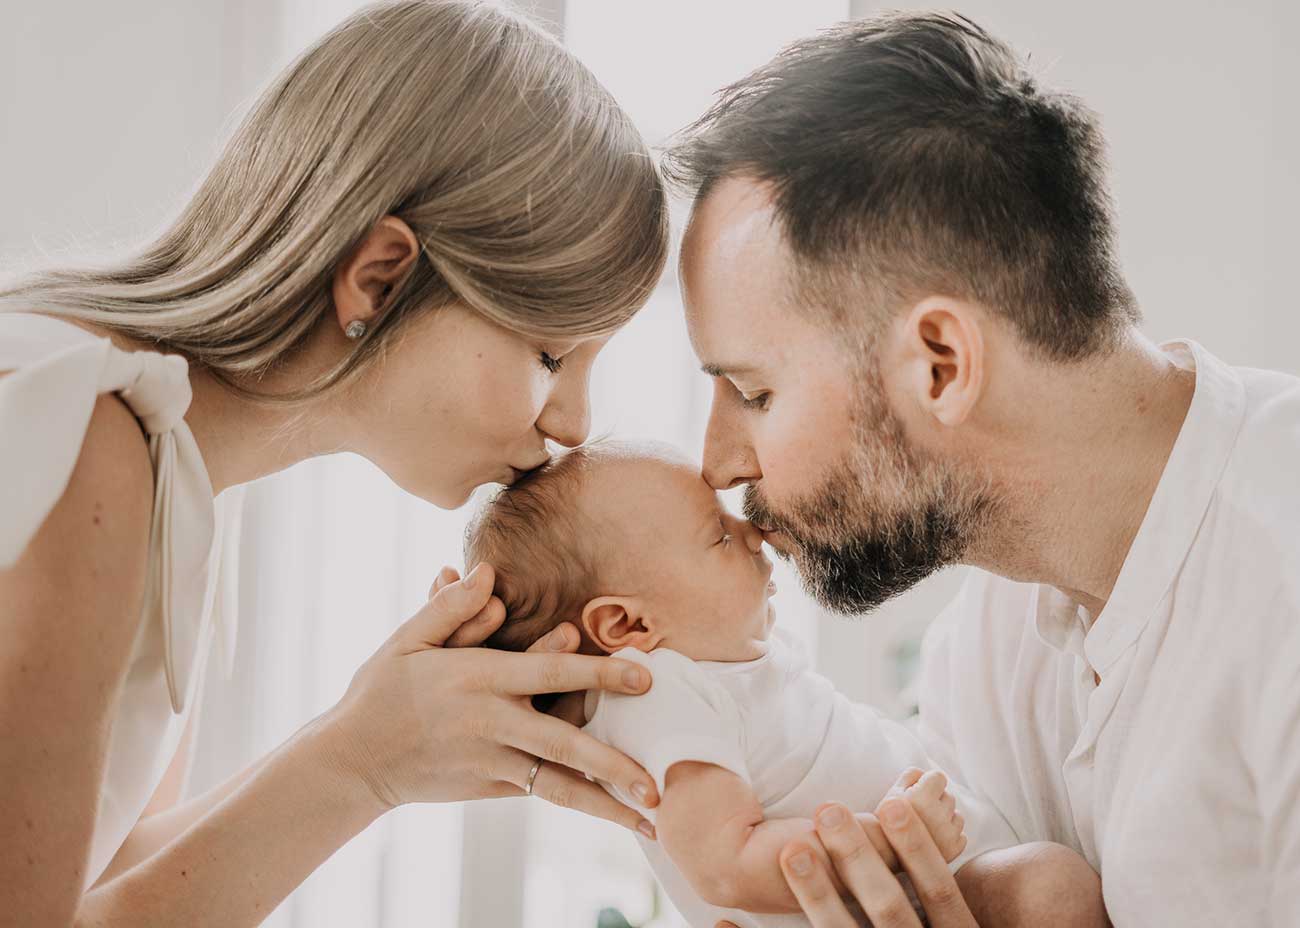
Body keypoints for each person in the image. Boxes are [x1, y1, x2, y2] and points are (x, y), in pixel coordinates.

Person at [0, 2, 672, 923]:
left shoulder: (173, 470)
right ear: (380, 277)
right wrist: (361, 764)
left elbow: (93, 878)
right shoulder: (81, 436)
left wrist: (389, 741)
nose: (574, 422)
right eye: (551, 355)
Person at [665, 11, 1300, 928]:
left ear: (940, 366)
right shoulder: (997, 640)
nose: (718, 465)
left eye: (754, 393)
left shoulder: (1282, 570)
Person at [464, 439, 1110, 928]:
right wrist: (886, 842)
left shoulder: (716, 670)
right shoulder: (654, 689)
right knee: (1052, 891)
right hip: (901, 887)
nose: (751, 533)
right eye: (717, 535)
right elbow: (722, 862)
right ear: (628, 623)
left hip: (926, 877)